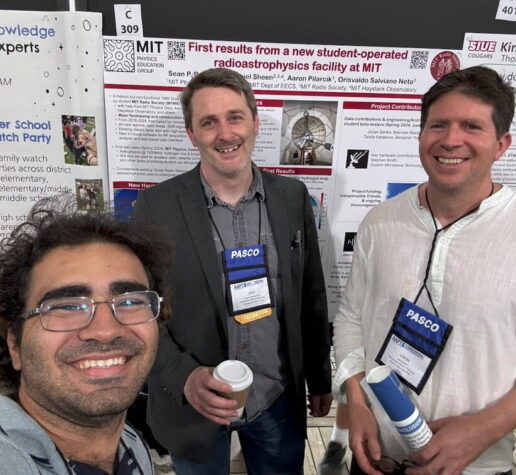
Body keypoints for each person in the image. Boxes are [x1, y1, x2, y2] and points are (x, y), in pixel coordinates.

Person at [132, 67, 332, 474]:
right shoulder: (156, 208)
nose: (225, 133)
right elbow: (140, 312)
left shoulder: (292, 197)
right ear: (192, 134)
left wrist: (320, 378)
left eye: (235, 117)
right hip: (196, 405)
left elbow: (310, 293)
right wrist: (184, 376)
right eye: (209, 122)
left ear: (255, 123)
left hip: (276, 398)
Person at [333, 65, 516, 475]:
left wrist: (486, 428)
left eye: (471, 126)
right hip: (377, 457)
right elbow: (349, 319)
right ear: (420, 136)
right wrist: (356, 402)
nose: (451, 139)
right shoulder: (380, 222)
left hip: (475, 466)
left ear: (502, 144)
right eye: (438, 125)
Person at [0, 195, 171, 474]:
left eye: (130, 302)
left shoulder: (131, 445)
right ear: (14, 343)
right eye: (66, 306)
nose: (105, 331)